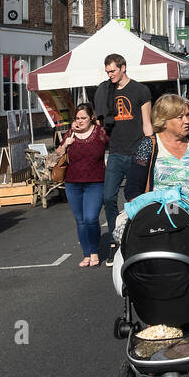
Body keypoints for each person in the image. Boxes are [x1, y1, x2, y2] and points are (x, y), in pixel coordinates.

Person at [124, 93, 189, 223]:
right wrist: (148, 217)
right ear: (163, 120)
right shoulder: (148, 145)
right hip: (159, 225)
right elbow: (133, 189)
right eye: (180, 117)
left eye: (188, 115)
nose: (187, 121)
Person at [97, 54, 153, 255]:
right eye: (107, 72)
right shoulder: (105, 90)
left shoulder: (140, 90)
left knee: (136, 199)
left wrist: (152, 148)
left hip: (137, 151)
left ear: (123, 67)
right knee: (108, 197)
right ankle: (115, 237)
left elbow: (147, 123)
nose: (110, 75)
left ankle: (137, 236)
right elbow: (100, 121)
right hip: (115, 152)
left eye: (112, 71)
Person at [55, 103, 108, 268]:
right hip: (73, 183)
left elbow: (116, 144)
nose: (80, 121)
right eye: (77, 118)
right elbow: (58, 152)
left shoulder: (100, 132)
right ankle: (86, 254)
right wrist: (66, 143)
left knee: (91, 218)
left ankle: (94, 251)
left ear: (91, 117)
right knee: (80, 221)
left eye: (83, 118)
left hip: (96, 182)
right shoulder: (71, 133)